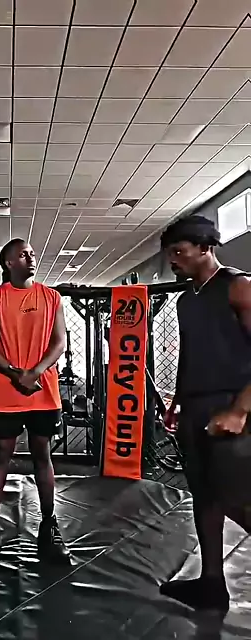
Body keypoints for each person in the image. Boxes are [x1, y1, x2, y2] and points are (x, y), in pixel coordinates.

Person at [159, 215, 251, 612]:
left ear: (206, 248)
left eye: (180, 252)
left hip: (234, 406)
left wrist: (240, 410)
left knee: (238, 499)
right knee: (205, 496)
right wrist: (177, 401)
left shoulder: (239, 286)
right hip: (196, 407)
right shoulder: (186, 300)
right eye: (170, 254)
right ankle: (212, 585)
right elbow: (191, 354)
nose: (173, 261)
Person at [0, 238, 69, 566]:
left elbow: (60, 342)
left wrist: (34, 373)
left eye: (32, 253)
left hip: (42, 389)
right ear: (8, 263)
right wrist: (16, 374)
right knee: (1, 456)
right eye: (23, 254)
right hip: (6, 391)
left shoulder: (51, 297)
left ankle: (49, 524)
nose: (31, 257)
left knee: (42, 454)